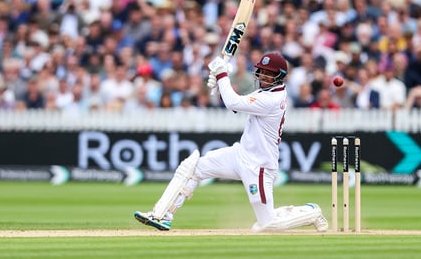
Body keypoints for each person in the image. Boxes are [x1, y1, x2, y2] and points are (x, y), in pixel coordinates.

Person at [134, 52, 328, 232]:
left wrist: (221, 75)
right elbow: (236, 105)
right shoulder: (265, 94)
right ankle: (162, 216)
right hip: (240, 155)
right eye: (262, 72)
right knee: (192, 167)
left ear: (279, 76)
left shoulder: (273, 99)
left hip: (258, 166)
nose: (263, 77)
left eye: (269, 74)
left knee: (267, 224)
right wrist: (220, 84)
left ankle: (311, 211)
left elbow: (233, 103)